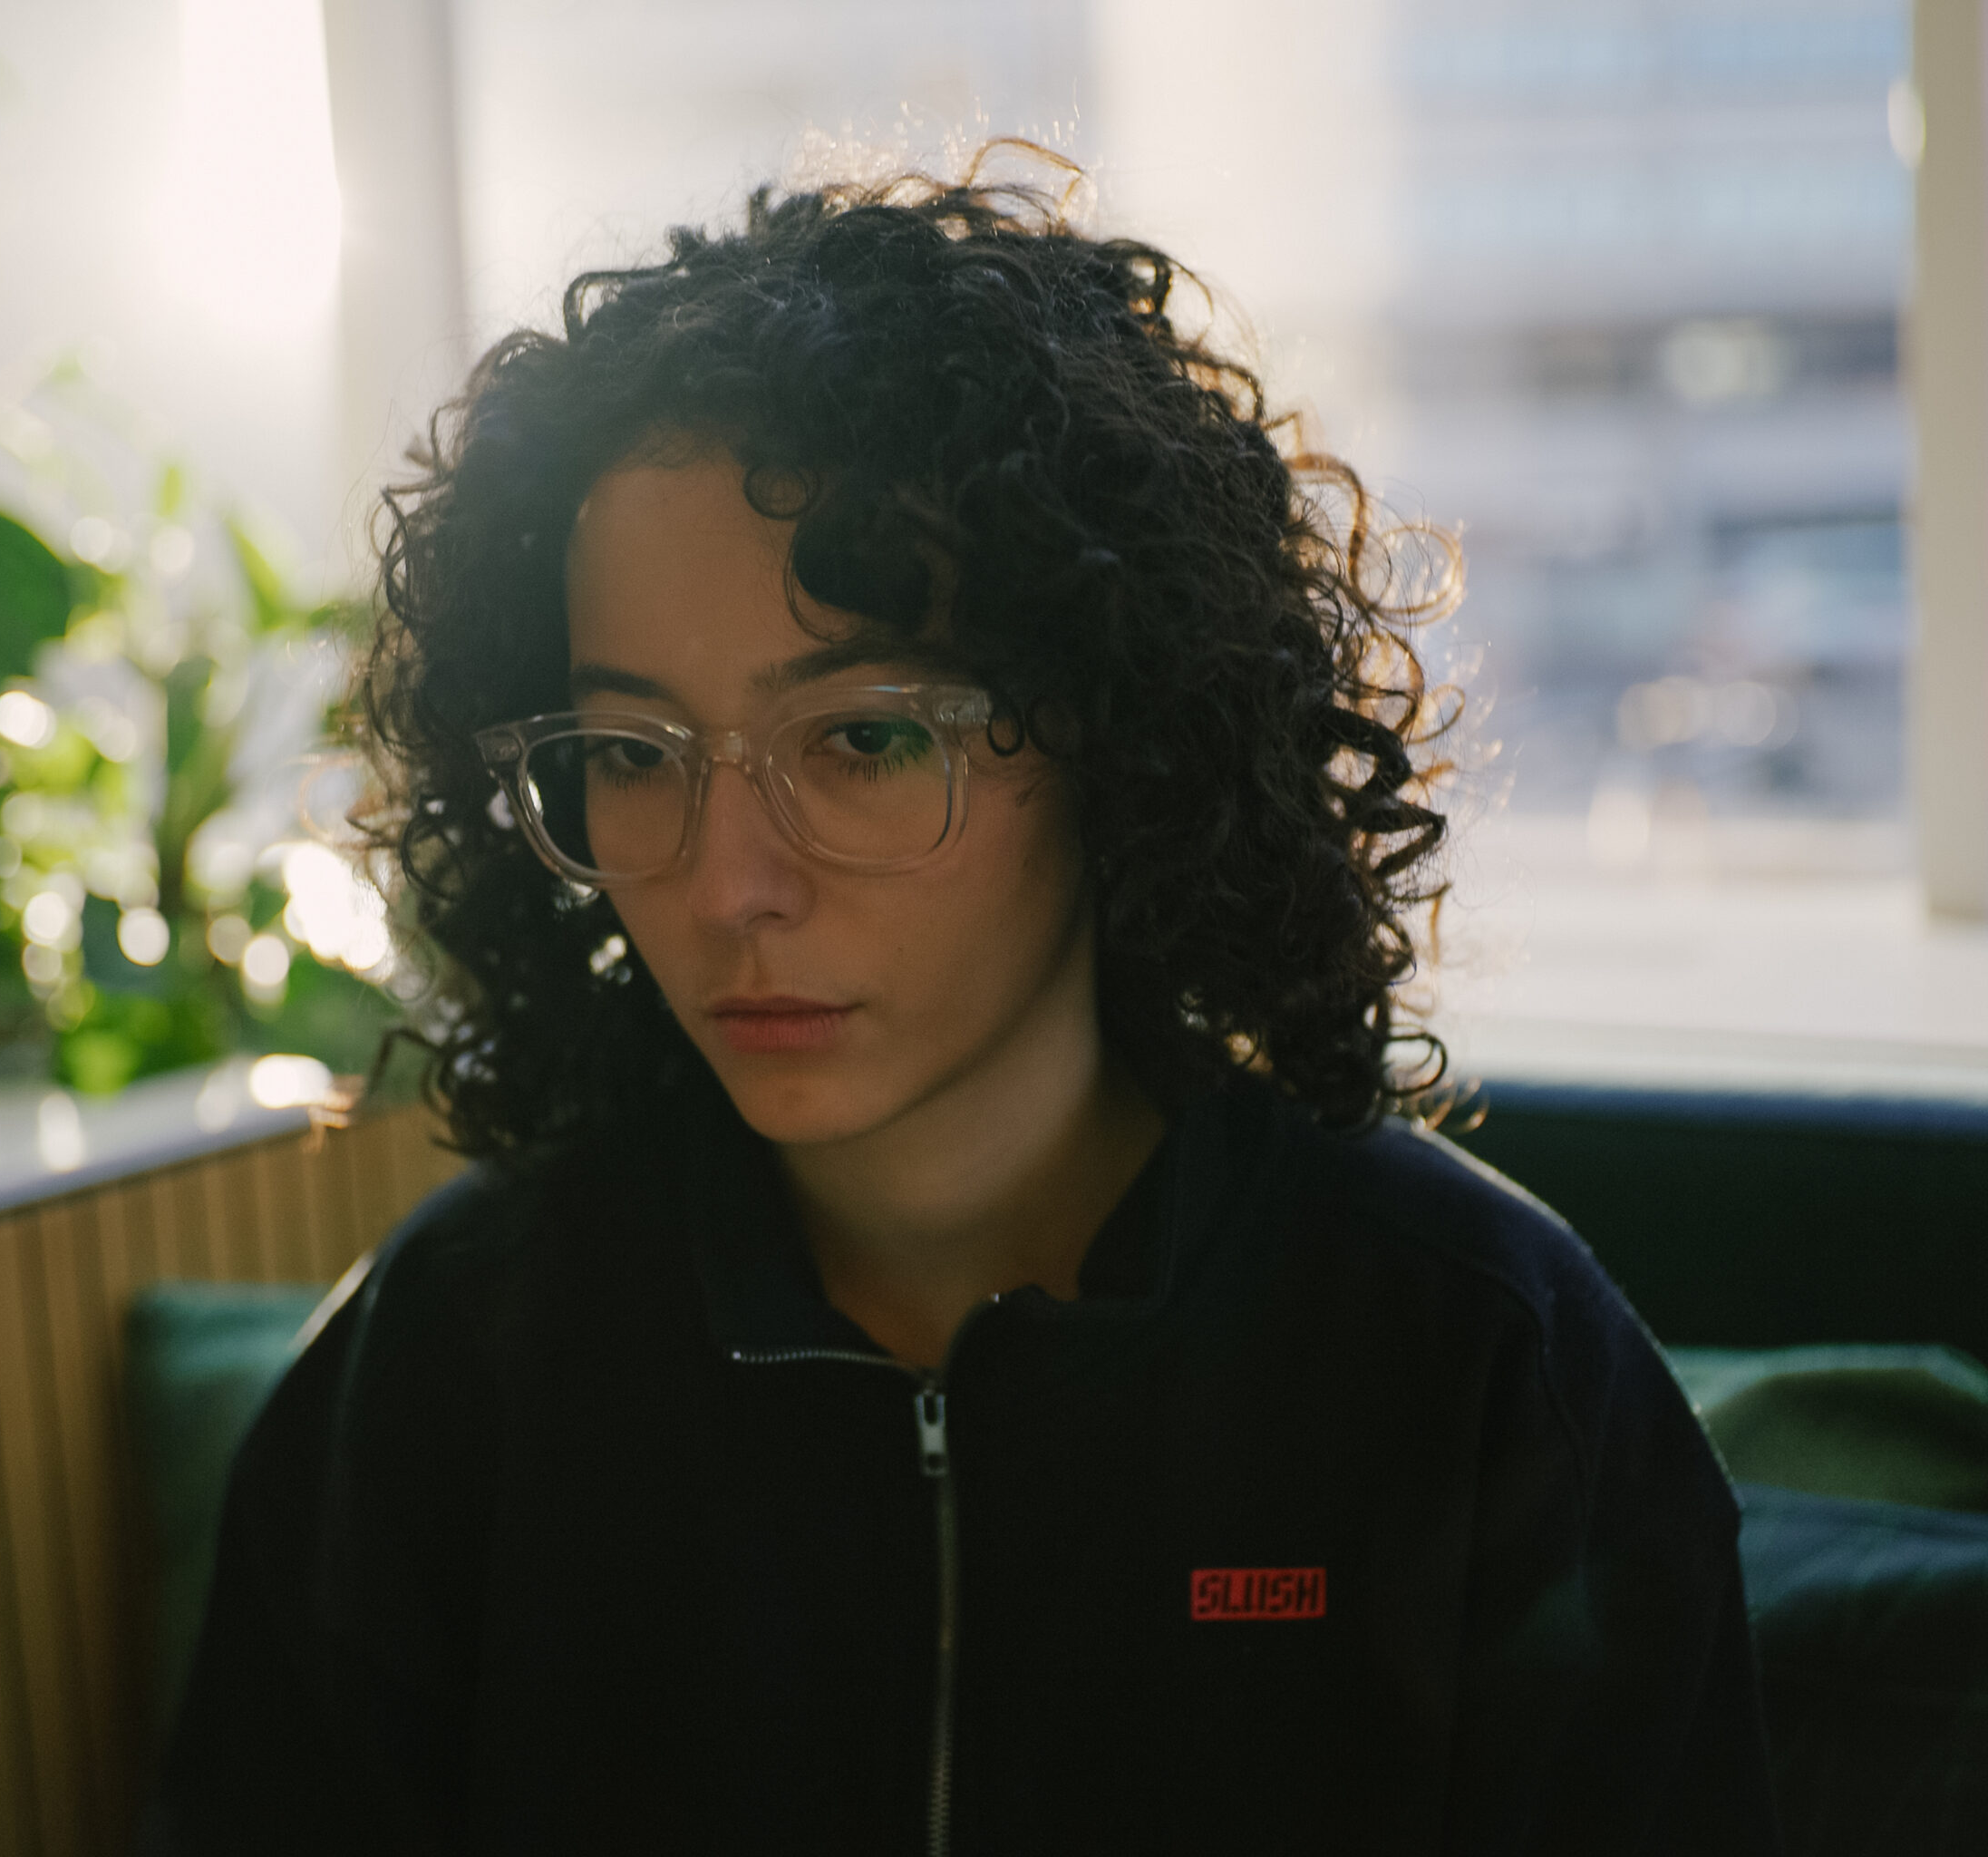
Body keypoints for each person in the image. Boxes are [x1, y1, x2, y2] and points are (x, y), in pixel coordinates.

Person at [147, 149, 1779, 1853]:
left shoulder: (1478, 1364)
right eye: (630, 755)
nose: (723, 885)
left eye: (864, 739)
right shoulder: (458, 1355)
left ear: (1119, 736)